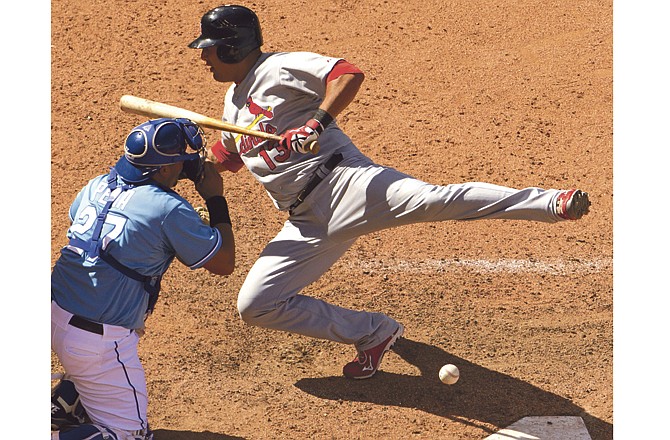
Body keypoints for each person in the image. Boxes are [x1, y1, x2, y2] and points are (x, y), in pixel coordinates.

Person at [188, 5, 591, 380]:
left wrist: (315, 124)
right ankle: (372, 332)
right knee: (256, 305)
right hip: (306, 221)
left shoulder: (278, 68)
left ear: (232, 45)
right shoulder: (233, 100)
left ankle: (549, 202)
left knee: (436, 200)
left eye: (209, 50)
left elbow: (346, 73)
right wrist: (192, 166)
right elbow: (230, 155)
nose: (203, 58)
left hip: (346, 184)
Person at [51, 118, 236, 439]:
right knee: (127, 436)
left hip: (52, 313)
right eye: (181, 157)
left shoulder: (97, 184)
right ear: (164, 170)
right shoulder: (168, 209)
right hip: (96, 342)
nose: (188, 161)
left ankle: (67, 400)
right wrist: (214, 199)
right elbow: (223, 263)